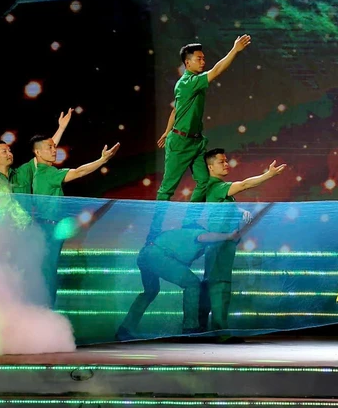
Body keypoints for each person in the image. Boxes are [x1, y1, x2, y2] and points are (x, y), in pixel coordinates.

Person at [197, 148, 287, 336]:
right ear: (210, 167)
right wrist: (268, 175)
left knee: (211, 284)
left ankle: (202, 328)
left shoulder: (219, 190)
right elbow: (245, 184)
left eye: (226, 160)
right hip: (219, 244)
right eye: (221, 162)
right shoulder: (216, 187)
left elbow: (222, 207)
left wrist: (239, 211)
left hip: (222, 245)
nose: (226, 164)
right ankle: (219, 332)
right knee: (219, 285)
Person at [156, 36, 251, 203]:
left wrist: (166, 131)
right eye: (198, 59)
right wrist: (234, 50)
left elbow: (176, 110)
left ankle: (191, 216)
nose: (203, 62)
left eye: (203, 58)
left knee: (204, 182)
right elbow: (216, 70)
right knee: (167, 189)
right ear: (187, 63)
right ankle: (155, 221)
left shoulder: (191, 82)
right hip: (180, 143)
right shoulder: (188, 83)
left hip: (196, 142)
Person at [31, 135, 120, 306]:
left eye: (54, 146)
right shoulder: (48, 173)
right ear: (38, 153)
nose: (54, 150)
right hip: (48, 229)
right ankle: (45, 312)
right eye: (49, 147)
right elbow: (79, 172)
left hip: (47, 228)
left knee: (46, 272)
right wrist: (102, 160)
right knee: (48, 274)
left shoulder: (39, 172)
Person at [116, 223, 242, 340]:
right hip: (158, 255)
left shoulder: (180, 236)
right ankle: (190, 328)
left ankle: (125, 328)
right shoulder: (197, 232)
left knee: (150, 291)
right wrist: (229, 236)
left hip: (145, 255)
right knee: (192, 283)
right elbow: (204, 237)